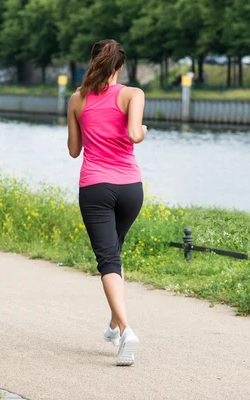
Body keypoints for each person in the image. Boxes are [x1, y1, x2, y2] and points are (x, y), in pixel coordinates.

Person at [66, 39, 147, 366]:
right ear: (120, 67)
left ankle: (127, 330)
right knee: (114, 252)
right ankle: (114, 326)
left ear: (94, 62)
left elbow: (74, 150)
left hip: (96, 187)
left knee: (108, 259)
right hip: (130, 188)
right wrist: (141, 128)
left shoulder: (76, 99)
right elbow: (134, 135)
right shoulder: (133, 94)